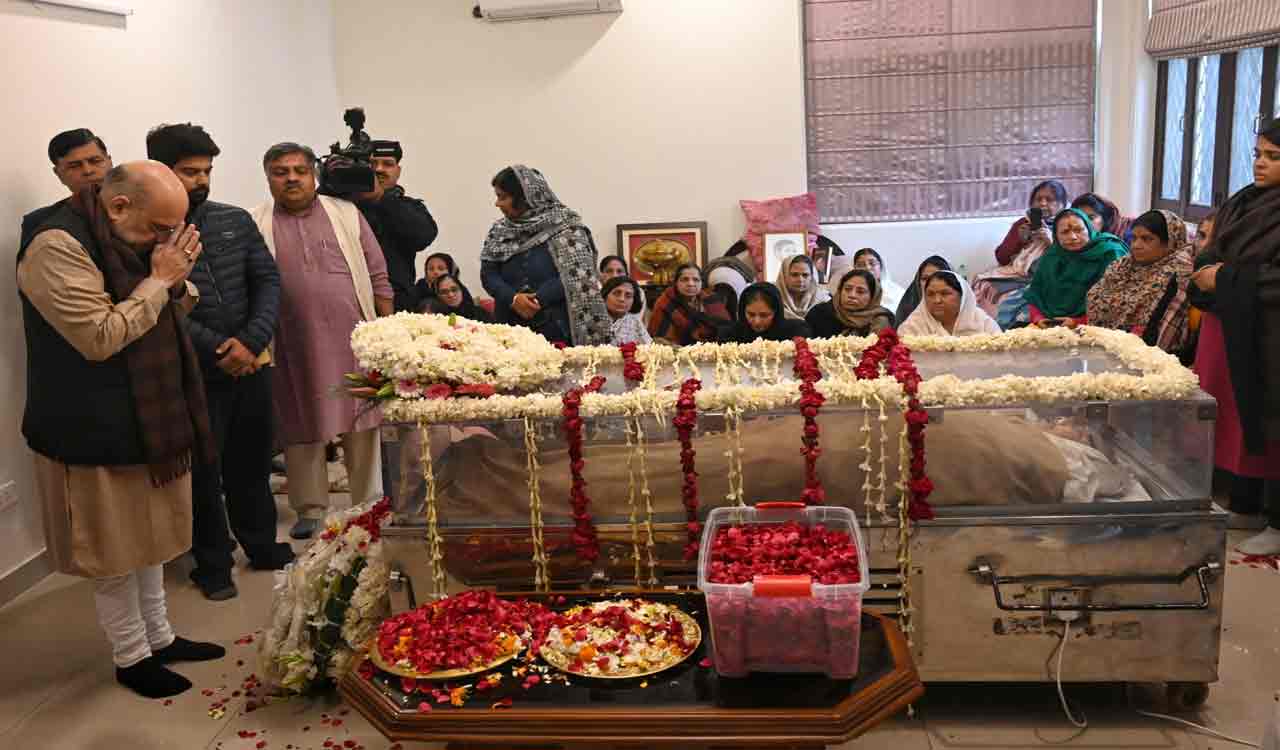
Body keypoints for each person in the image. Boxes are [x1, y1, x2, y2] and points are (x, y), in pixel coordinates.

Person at [17, 162, 225, 698]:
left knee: (151, 538)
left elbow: (174, 307)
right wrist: (160, 280)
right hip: (88, 424)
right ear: (118, 207)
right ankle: (131, 657)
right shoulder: (55, 245)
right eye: (160, 229)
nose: (166, 241)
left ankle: (160, 636)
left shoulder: (129, 237)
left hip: (148, 416)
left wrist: (174, 281)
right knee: (114, 550)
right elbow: (101, 336)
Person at [146, 123, 294, 600]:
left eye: (207, 170)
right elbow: (157, 306)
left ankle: (262, 544)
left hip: (251, 361)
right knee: (205, 472)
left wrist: (251, 341)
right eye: (189, 172)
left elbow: (268, 281)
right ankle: (211, 564)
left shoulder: (233, 220)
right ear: (161, 173)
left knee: (252, 460)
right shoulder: (141, 235)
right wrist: (218, 348)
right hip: (195, 371)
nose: (201, 180)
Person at [251, 143, 392, 539]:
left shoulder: (345, 213)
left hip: (354, 337)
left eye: (299, 170)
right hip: (291, 341)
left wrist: (383, 328)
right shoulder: (255, 221)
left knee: (362, 420)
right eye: (281, 171)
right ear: (268, 177)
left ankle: (367, 502)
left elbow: (376, 269)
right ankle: (310, 507)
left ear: (313, 174)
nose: (292, 178)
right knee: (300, 423)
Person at [1189, 120, 1280, 554]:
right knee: (1236, 417)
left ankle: (1277, 521)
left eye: (1273, 157)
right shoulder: (1247, 200)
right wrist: (1209, 272)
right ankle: (1244, 502)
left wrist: (1224, 278)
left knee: (1271, 420)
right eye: (1258, 154)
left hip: (1270, 336)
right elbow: (1212, 251)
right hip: (1230, 326)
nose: (1260, 164)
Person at [481, 165, 611, 346]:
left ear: (524, 198)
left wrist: (536, 300)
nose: (497, 204)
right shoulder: (499, 231)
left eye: (503, 197)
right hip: (508, 330)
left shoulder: (567, 227)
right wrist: (513, 299)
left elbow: (579, 274)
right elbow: (488, 274)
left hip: (555, 329)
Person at [1086, 209, 1193, 355]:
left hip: (1145, 357)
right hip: (1100, 345)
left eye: (1147, 239)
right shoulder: (1121, 266)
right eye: (1134, 238)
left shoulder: (1178, 272)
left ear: (1170, 241)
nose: (1136, 245)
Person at [354, 139, 439, 313]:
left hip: (397, 303)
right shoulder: (346, 206)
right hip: (351, 298)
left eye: (387, 164)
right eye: (372, 163)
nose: (379, 169)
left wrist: (381, 198)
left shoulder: (410, 207)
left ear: (398, 171)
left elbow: (424, 236)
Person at [1008, 208, 1126, 329]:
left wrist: (1079, 322)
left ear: (1089, 229)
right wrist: (1038, 319)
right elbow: (1036, 295)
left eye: (1078, 230)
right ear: (1056, 235)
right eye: (1065, 232)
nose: (1073, 237)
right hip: (1050, 325)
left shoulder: (1110, 252)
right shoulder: (1053, 255)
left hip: (1100, 327)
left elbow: (1119, 302)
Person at [971, 180, 1070, 317]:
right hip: (1018, 274)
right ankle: (987, 328)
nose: (1042, 203)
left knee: (1010, 298)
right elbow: (1002, 258)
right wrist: (1018, 240)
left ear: (1062, 204)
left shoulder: (1067, 226)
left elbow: (1071, 259)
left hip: (1048, 277)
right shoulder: (1023, 223)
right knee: (982, 283)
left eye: (1049, 200)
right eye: (1038, 199)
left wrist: (1050, 240)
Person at [20, 128, 113, 248]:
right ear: (58, 173)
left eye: (95, 161)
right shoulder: (39, 222)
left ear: (110, 162)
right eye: (74, 166)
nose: (87, 171)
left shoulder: (138, 206)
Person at [647, 263, 731, 345]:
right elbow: (659, 340)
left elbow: (727, 330)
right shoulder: (665, 303)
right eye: (685, 279)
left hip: (713, 351)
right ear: (676, 283)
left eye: (696, 280)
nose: (691, 284)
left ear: (701, 283)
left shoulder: (711, 300)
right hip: (677, 353)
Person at [899, 271, 1001, 337]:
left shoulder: (983, 324)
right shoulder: (912, 326)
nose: (937, 300)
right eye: (930, 294)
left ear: (962, 297)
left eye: (945, 293)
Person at [806, 268, 895, 338]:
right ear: (840, 290)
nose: (852, 295)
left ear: (872, 296)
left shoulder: (880, 320)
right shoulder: (819, 313)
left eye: (860, 291)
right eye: (847, 289)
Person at [718, 282, 811, 343]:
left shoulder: (796, 332)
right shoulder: (730, 336)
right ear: (743, 311)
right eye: (751, 314)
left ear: (776, 312)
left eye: (764, 315)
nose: (757, 321)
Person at [894, 255, 952, 324]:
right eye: (925, 278)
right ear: (918, 282)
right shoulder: (907, 309)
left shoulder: (957, 309)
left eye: (937, 277)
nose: (930, 282)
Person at [775, 254, 829, 321]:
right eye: (794, 275)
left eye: (805, 275)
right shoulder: (773, 300)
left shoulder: (823, 302)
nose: (800, 280)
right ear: (784, 276)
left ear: (812, 277)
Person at [852, 247, 906, 313]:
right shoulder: (848, 291)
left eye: (872, 264)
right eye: (861, 265)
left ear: (881, 267)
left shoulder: (897, 293)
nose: (867, 268)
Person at [602, 275, 652, 345]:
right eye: (617, 293)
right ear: (605, 296)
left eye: (628, 296)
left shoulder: (635, 322)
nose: (622, 299)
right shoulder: (594, 319)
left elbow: (649, 347)